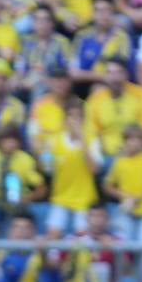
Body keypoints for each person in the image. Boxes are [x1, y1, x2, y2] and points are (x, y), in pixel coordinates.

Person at [43, 98, 98, 239]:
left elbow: (94, 169)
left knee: (82, 241)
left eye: (79, 116)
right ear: (65, 119)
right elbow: (47, 170)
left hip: (84, 199)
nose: (75, 120)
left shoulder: (92, 140)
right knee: (52, 238)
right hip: (60, 198)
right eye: (71, 116)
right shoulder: (53, 141)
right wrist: (41, 154)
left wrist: (82, 140)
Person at [84, 57, 142, 161]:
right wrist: (96, 155)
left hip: (136, 153)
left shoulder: (141, 95)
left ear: (126, 75)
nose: (114, 78)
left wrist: (130, 148)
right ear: (104, 76)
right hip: (105, 155)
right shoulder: (95, 99)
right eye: (109, 73)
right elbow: (91, 132)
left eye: (119, 72)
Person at [103, 124, 142, 242]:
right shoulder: (119, 159)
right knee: (124, 248)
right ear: (125, 141)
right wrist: (124, 196)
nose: (135, 143)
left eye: (139, 139)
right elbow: (107, 186)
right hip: (126, 211)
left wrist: (137, 198)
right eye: (131, 139)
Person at [69, 0, 132, 90]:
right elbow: (73, 73)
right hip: (81, 87)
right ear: (92, 13)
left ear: (112, 13)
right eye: (98, 10)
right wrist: (99, 76)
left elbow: (119, 72)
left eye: (106, 10)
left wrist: (88, 75)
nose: (102, 14)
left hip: (110, 88)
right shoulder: (81, 37)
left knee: (98, 89)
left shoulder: (121, 38)